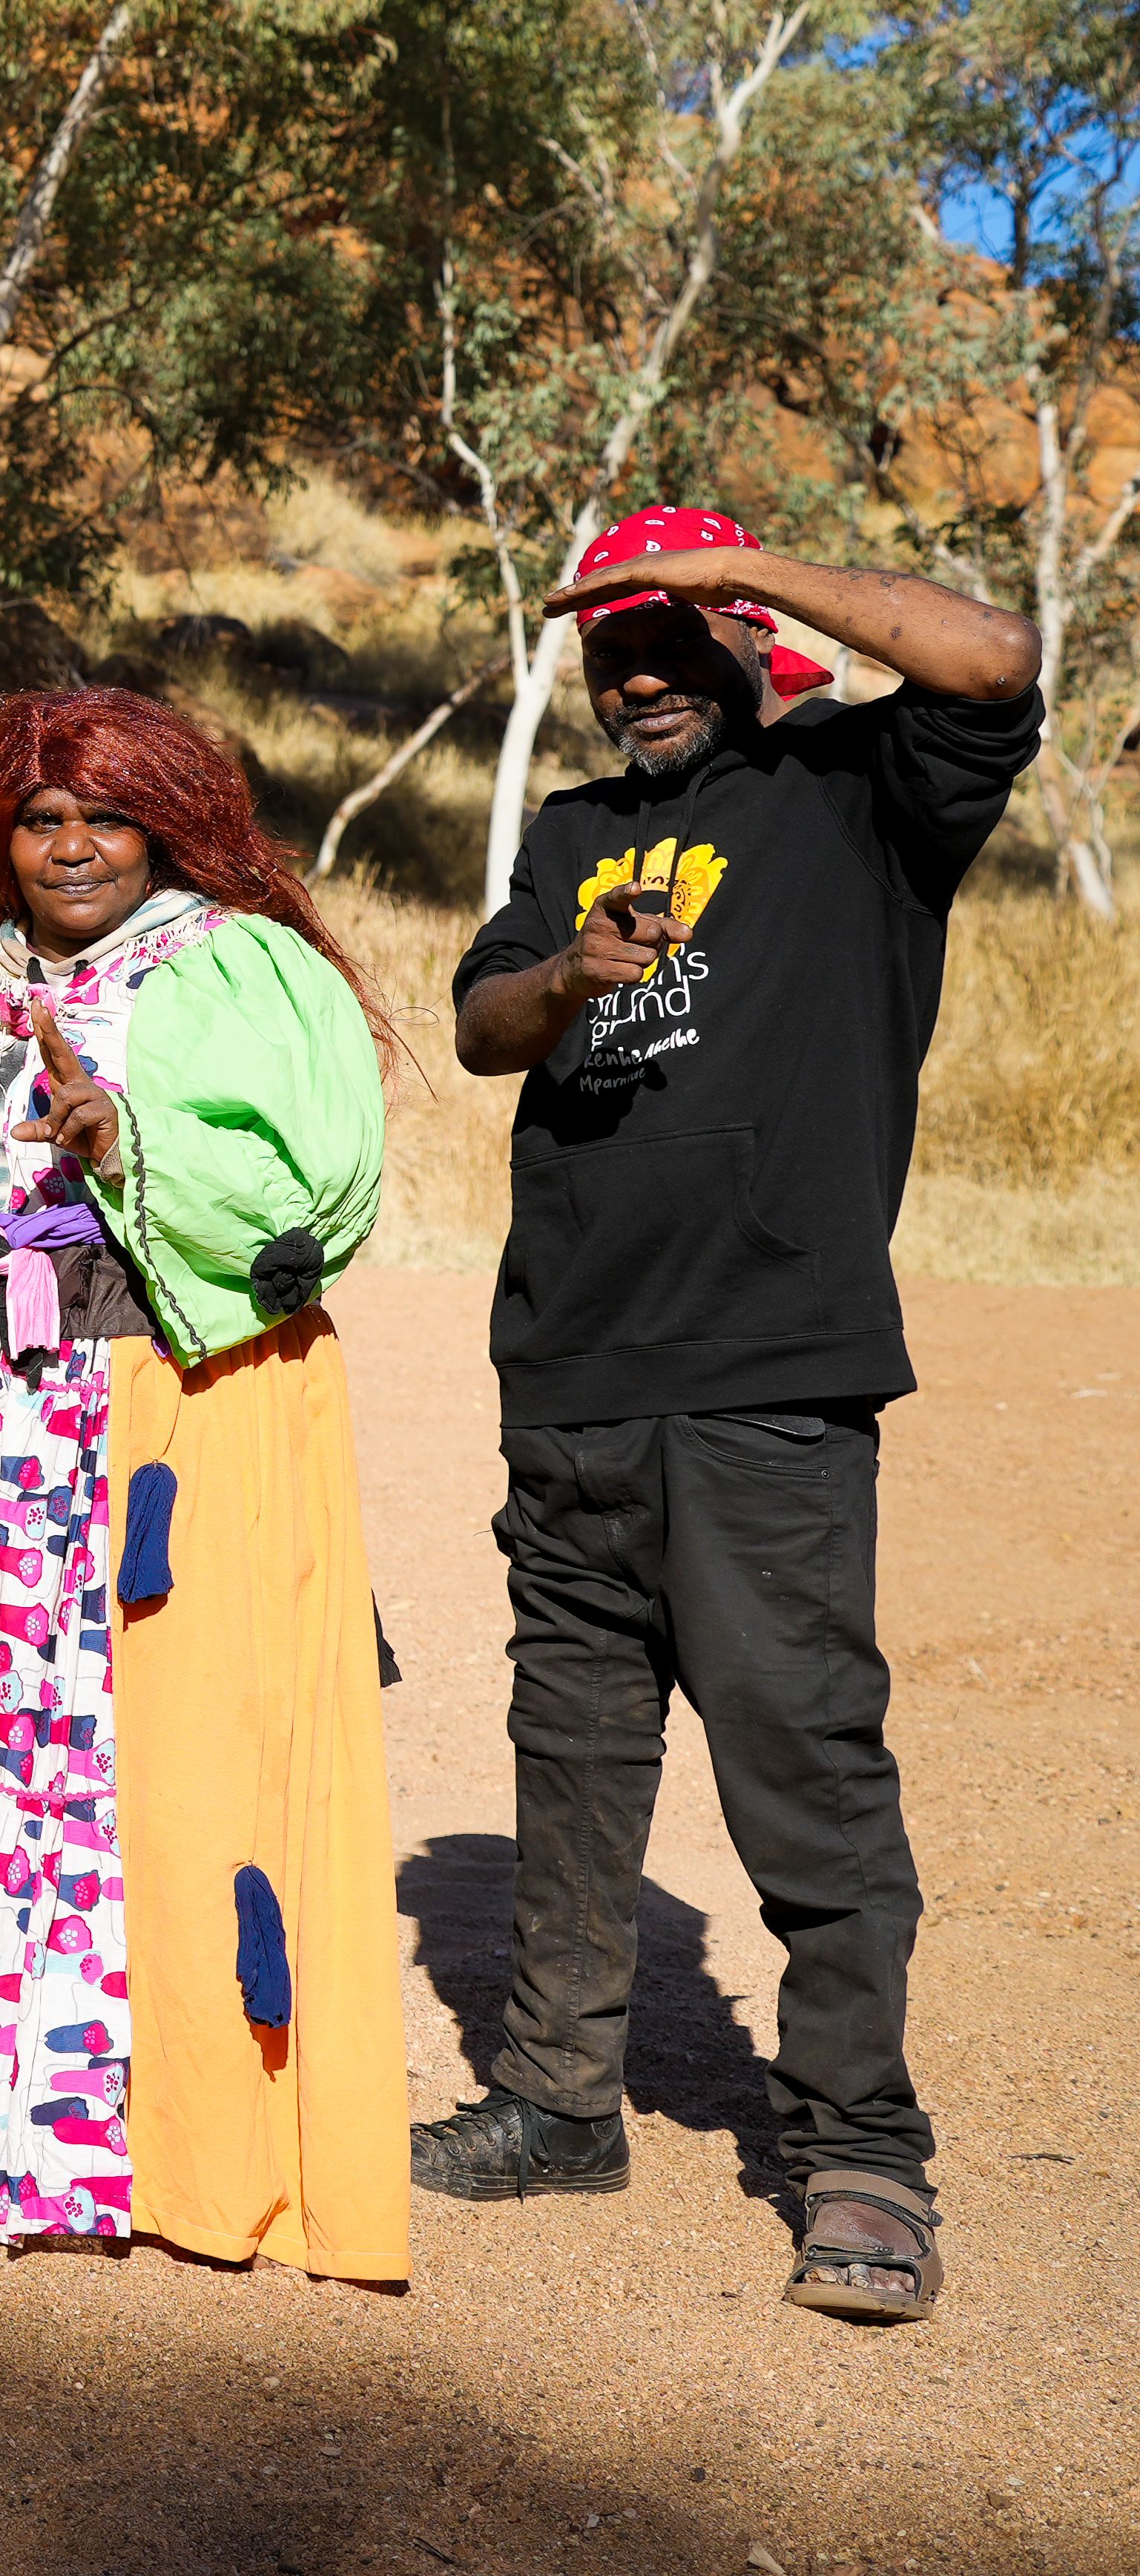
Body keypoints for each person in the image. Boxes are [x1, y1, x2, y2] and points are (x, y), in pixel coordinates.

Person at [421, 509, 1041, 2326]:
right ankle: (554, 2101)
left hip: (767, 1370)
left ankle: (860, 2148)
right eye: (609, 648)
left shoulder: (861, 789)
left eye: (669, 636)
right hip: (573, 1373)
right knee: (574, 1761)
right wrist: (567, 983)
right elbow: (480, 1023)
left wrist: (755, 576)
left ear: (747, 636)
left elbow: (996, 660)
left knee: (804, 1761)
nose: (636, 673)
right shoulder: (575, 835)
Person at [0, 689, 406, 2280]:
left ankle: (191, 2142)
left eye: (104, 816)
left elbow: (315, 1194)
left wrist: (122, 1140)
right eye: (41, 818)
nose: (68, 846)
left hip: (174, 1403)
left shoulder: (231, 961)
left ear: (167, 824)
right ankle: (22, 2134)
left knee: (170, 1775)